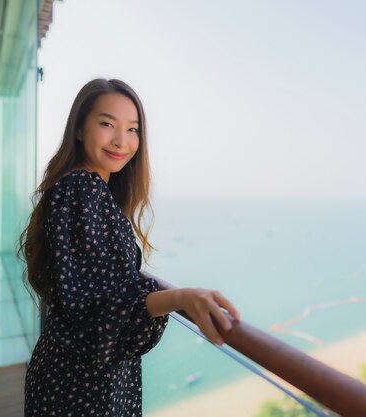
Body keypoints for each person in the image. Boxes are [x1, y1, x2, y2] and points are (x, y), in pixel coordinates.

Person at [19, 78, 241, 416]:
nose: (122, 140)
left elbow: (96, 289)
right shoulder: (82, 189)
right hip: (79, 389)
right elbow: (93, 308)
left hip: (74, 378)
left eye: (133, 129)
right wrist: (179, 297)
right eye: (107, 123)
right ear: (79, 129)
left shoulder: (87, 191)